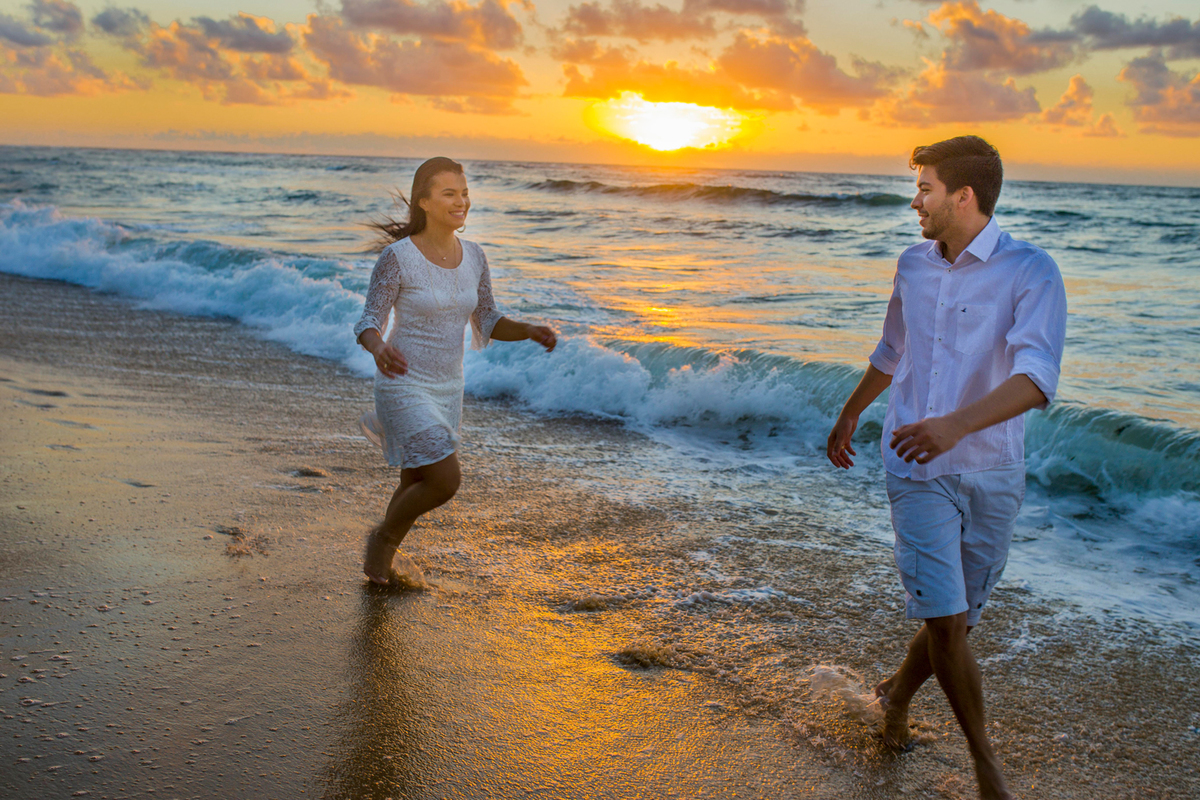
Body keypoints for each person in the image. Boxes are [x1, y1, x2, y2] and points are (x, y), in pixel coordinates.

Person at [826, 136, 1066, 800]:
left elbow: (1037, 379)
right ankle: (987, 767)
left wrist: (956, 426)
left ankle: (894, 696)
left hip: (991, 471)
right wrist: (851, 413)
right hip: (913, 466)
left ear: (963, 197)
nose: (915, 201)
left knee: (954, 625)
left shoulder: (1031, 271)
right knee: (942, 618)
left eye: (925, 188)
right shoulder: (912, 265)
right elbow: (891, 349)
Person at [354, 156, 557, 586]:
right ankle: (382, 540)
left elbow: (487, 320)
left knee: (416, 478)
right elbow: (368, 321)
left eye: (464, 192)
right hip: (402, 381)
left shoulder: (475, 257)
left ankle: (378, 568)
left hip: (448, 387)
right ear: (424, 201)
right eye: (449, 193)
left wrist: (528, 329)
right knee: (445, 480)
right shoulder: (398, 257)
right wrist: (378, 347)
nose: (461, 201)